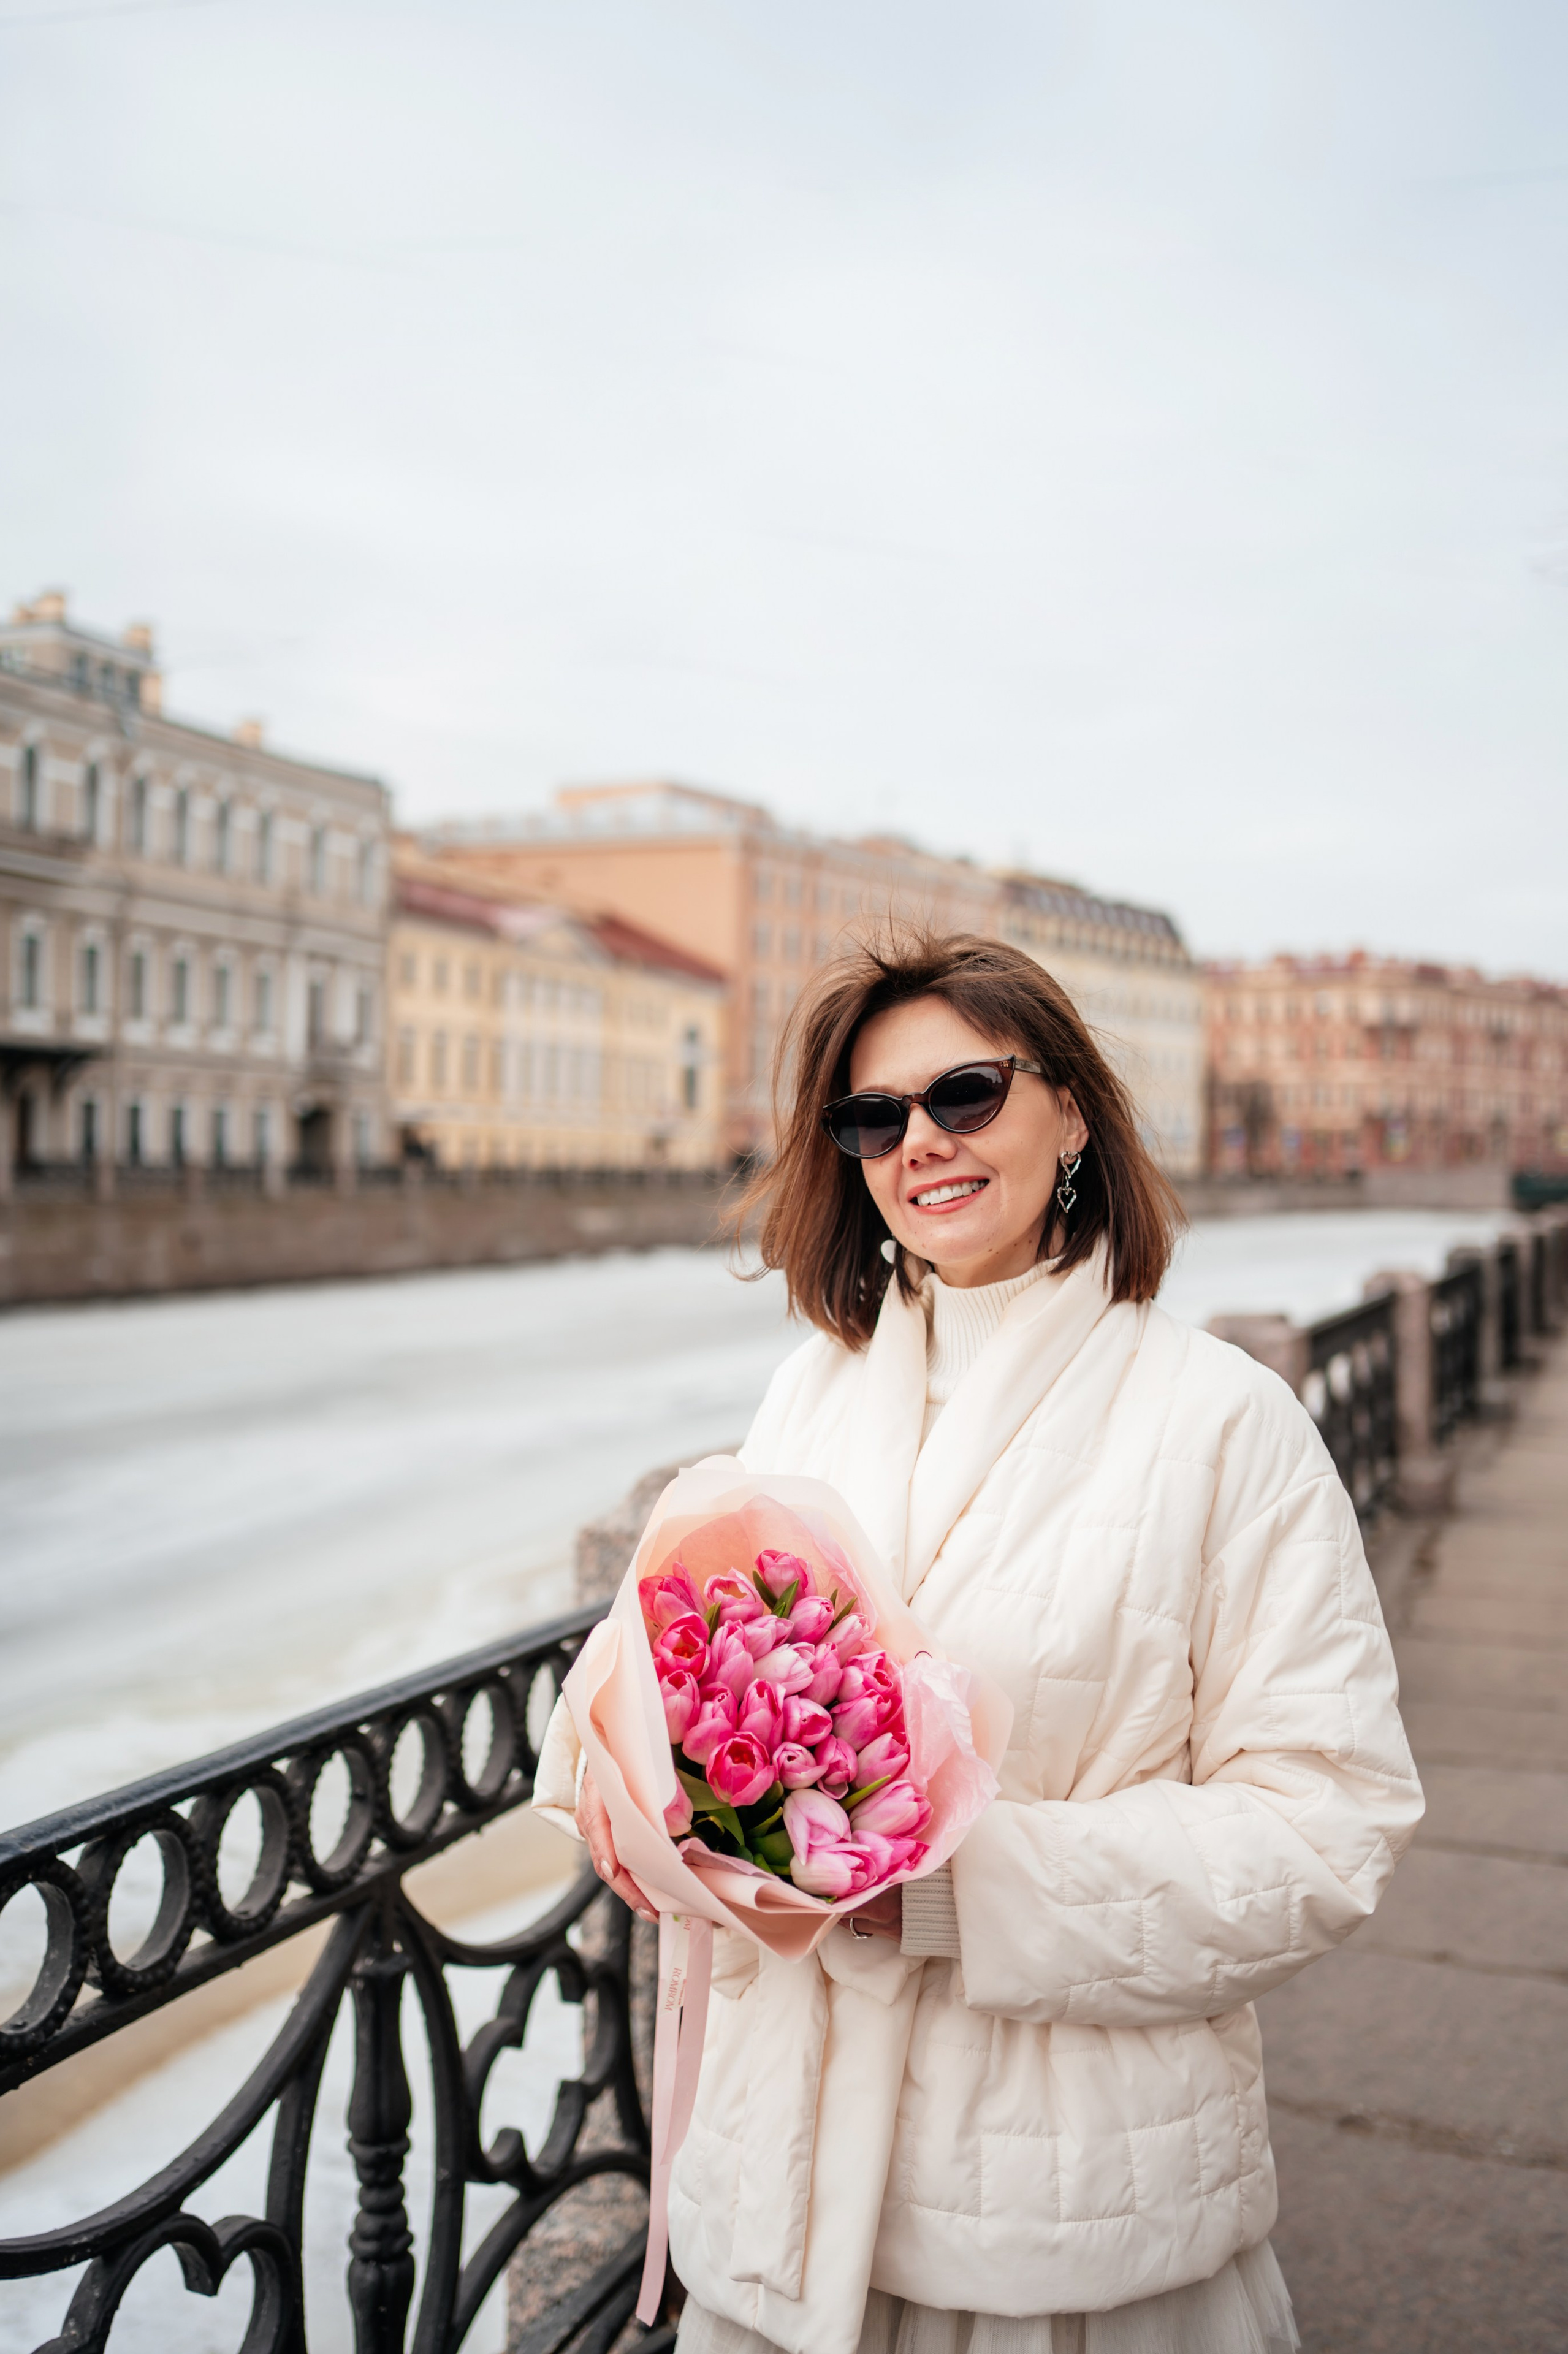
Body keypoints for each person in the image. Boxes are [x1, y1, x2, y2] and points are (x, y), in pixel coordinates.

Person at [538, 931, 1421, 2354]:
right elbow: (677, 1671)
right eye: (871, 1116)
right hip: (776, 2200)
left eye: (964, 1093)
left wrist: (947, 1890)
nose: (918, 1144)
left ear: (1070, 1106)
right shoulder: (810, 1392)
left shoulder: (1220, 1418)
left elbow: (1330, 1827)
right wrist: (637, 1799)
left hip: (1059, 2212)